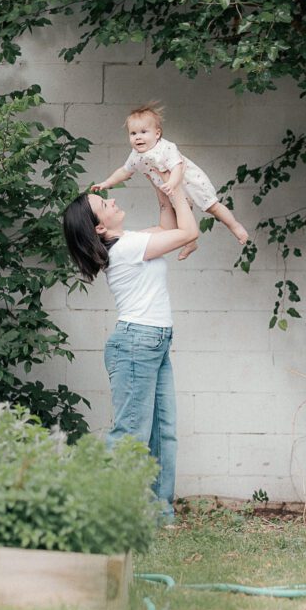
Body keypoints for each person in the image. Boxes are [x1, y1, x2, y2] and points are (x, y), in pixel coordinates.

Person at [62, 178, 198, 525]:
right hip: (138, 344)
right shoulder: (126, 249)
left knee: (162, 433)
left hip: (153, 342)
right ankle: (85, 508)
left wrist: (160, 182)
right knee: (130, 435)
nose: (109, 201)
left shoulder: (129, 241)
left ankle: (159, 513)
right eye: (102, 204)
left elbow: (168, 223)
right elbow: (186, 231)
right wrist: (178, 186)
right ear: (100, 226)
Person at [92, 103, 248, 260]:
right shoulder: (135, 155)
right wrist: (107, 183)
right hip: (170, 189)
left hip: (188, 182)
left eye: (143, 132)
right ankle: (191, 243)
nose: (138, 137)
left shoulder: (166, 148)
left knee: (212, 207)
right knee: (181, 217)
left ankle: (235, 226)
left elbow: (177, 166)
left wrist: (173, 183)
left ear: (157, 134)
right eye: (133, 133)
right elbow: (124, 171)